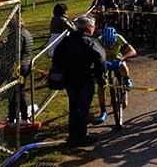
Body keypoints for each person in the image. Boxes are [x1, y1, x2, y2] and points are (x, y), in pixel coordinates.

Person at [53, 15, 106, 146]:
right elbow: (101, 60)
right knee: (83, 107)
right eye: (93, 27)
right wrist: (100, 78)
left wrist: (60, 71)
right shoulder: (90, 42)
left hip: (69, 79)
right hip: (85, 79)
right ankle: (82, 135)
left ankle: (72, 135)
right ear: (89, 28)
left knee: (73, 106)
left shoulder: (67, 40)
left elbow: (57, 56)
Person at [94, 26, 137, 126]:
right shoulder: (99, 40)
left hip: (117, 57)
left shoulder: (118, 38)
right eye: (107, 46)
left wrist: (122, 59)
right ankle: (103, 111)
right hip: (104, 60)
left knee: (123, 65)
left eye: (111, 45)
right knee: (101, 85)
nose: (109, 48)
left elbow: (133, 51)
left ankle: (127, 79)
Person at [7, 19, 34, 128]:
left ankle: (14, 117)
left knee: (13, 92)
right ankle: (22, 116)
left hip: (19, 66)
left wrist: (3, 46)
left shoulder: (16, 36)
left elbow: (13, 51)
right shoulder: (26, 32)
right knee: (19, 90)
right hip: (26, 64)